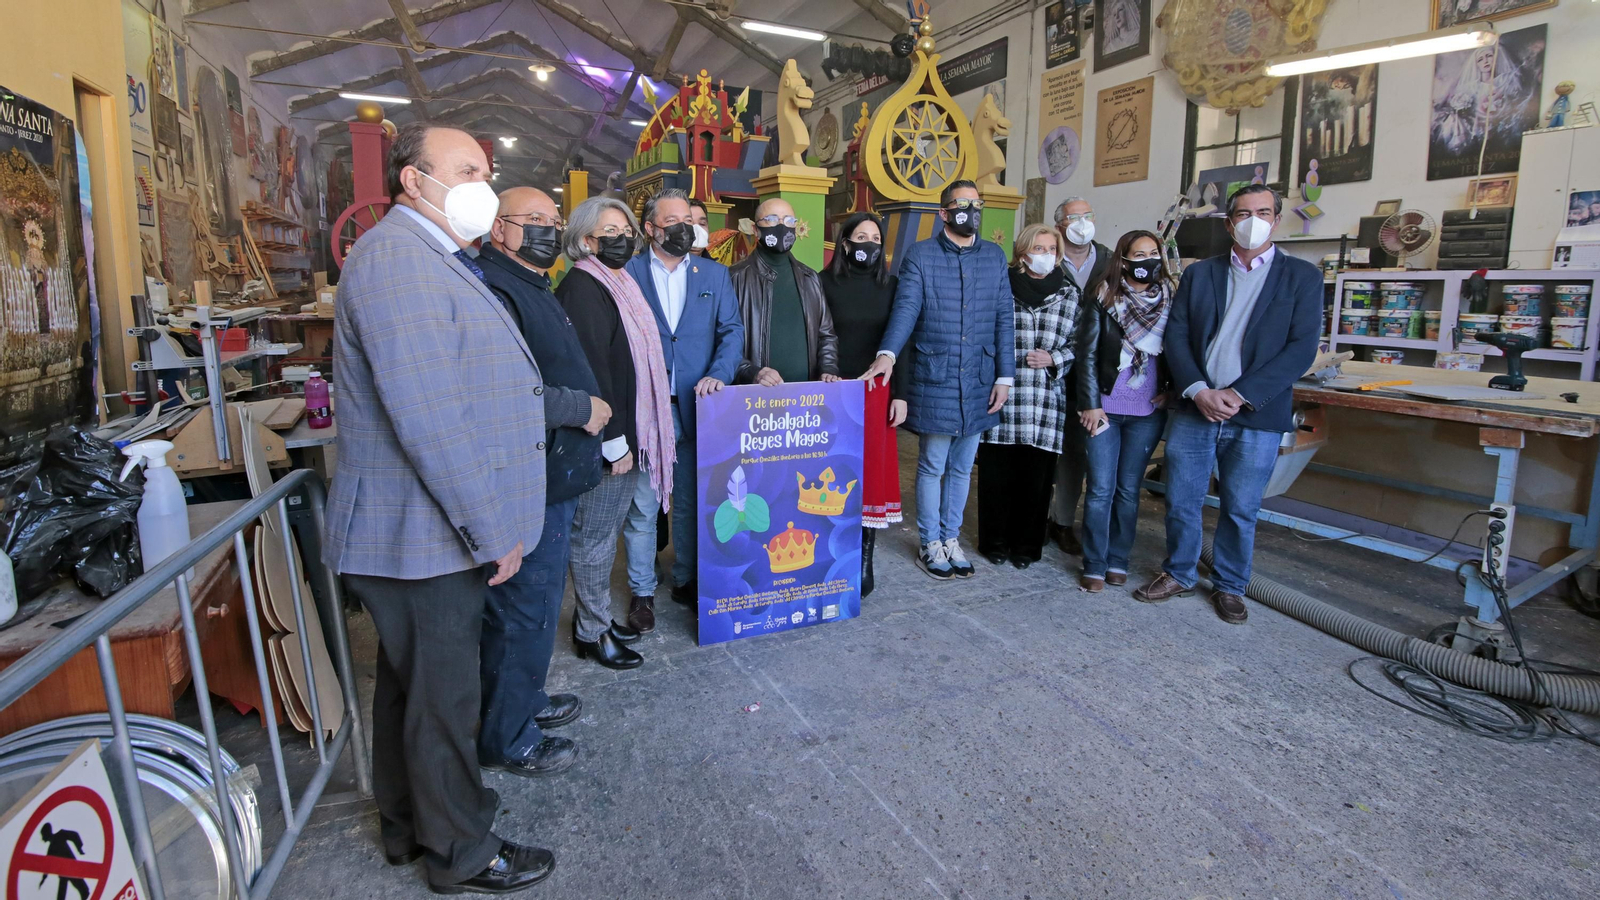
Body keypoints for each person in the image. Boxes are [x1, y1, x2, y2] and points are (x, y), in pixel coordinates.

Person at [326, 122, 553, 894]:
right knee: (443, 699)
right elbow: (430, 417)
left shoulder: (433, 256)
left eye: (487, 170)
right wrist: (494, 532)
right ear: (411, 180)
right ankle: (461, 849)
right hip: (422, 531)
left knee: (409, 689)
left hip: (418, 530)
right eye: (464, 169)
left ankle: (407, 826)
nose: (481, 185)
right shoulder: (398, 261)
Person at [1135, 185, 1321, 623]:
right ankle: (1179, 572)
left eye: (1262, 212)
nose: (1252, 220)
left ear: (1276, 220)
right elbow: (1176, 336)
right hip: (1196, 408)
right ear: (1228, 222)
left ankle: (1231, 585)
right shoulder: (1201, 275)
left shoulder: (1303, 278)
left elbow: (1300, 350)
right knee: (1181, 499)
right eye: (1242, 213)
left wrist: (1240, 395)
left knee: (1240, 507)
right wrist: (1198, 389)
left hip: (1256, 414)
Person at [476, 186, 614, 768]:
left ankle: (524, 700)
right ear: (498, 227)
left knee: (536, 603)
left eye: (551, 220)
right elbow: (500, 391)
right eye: (531, 219)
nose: (545, 228)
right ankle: (507, 737)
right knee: (523, 609)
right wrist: (580, 408)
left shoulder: (531, 282)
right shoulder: (494, 288)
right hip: (528, 476)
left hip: (553, 473)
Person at [862, 180, 1013, 580]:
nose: (971, 210)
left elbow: (1003, 317)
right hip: (937, 375)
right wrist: (887, 355)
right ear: (944, 213)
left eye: (976, 203)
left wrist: (1005, 375)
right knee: (932, 463)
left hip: (980, 377)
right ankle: (929, 542)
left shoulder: (994, 256)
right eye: (961, 204)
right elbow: (907, 308)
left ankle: (951, 537)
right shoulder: (921, 255)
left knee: (963, 467)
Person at [558, 196, 675, 665]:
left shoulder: (618, 282)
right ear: (586, 240)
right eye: (611, 232)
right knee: (595, 536)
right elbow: (591, 374)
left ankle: (598, 620)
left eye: (627, 232)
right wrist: (615, 442)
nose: (623, 240)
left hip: (623, 431)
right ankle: (591, 632)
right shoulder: (584, 288)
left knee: (603, 535)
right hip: (608, 437)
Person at [623, 189, 744, 608]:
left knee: (691, 501)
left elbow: (732, 332)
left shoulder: (714, 275)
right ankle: (642, 590)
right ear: (650, 228)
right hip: (646, 407)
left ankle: (687, 579)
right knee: (643, 504)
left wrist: (718, 373)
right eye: (672, 221)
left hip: (697, 407)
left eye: (687, 221)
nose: (684, 229)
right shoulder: (627, 274)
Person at [1074, 230, 1174, 593]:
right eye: (1138, 253)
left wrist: (1172, 390)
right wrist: (1089, 403)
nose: (1146, 260)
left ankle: (1119, 560)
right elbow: (1085, 354)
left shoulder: (1170, 299)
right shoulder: (1103, 297)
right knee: (1101, 489)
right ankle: (1095, 564)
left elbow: (1180, 349)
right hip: (1104, 409)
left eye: (1153, 253)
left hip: (1147, 411)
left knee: (1129, 490)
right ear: (1124, 259)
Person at [978, 224, 1081, 569]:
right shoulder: (1000, 287)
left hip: (1045, 397)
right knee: (997, 474)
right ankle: (994, 541)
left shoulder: (1069, 293)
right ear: (1022, 253)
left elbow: (1081, 342)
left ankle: (1027, 546)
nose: (1045, 255)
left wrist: (1055, 359)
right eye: (1038, 248)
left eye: (1051, 249)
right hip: (1003, 392)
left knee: (1036, 478)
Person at [820, 212, 906, 596]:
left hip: (877, 392)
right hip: (834, 389)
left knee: (869, 476)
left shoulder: (893, 286)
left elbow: (904, 341)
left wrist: (901, 393)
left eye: (875, 237)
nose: (868, 243)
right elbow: (818, 336)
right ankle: (827, 551)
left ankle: (863, 559)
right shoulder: (822, 283)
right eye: (861, 236)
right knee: (832, 474)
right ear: (845, 242)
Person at [1049, 196, 1113, 557]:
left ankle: (1062, 522)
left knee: (1075, 453)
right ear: (1060, 224)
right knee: (1041, 450)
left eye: (1088, 215)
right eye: (1075, 217)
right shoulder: (1045, 254)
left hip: (1090, 371)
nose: (1083, 222)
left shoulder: (1108, 260)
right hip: (1046, 370)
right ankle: (1036, 516)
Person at [729, 198, 841, 385]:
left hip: (805, 398)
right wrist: (751, 372)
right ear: (755, 230)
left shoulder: (810, 278)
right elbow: (722, 341)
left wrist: (828, 369)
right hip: (754, 398)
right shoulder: (734, 278)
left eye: (789, 221)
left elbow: (826, 334)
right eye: (772, 219)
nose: (782, 226)